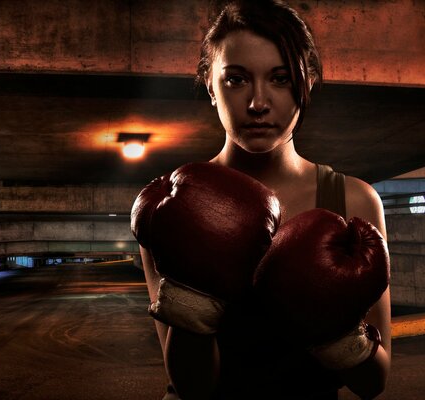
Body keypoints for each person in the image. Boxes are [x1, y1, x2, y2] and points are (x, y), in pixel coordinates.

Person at [137, 1, 391, 399]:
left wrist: (333, 331)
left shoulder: (352, 200)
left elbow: (373, 382)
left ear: (306, 84)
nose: (258, 103)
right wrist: (195, 301)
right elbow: (191, 386)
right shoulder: (173, 201)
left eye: (281, 78)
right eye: (236, 80)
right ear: (210, 86)